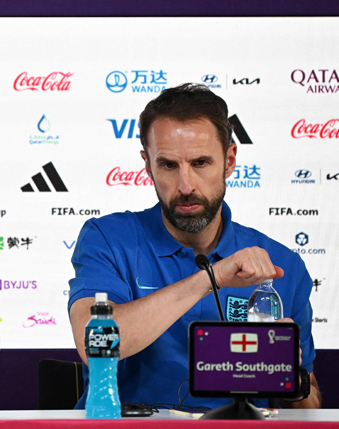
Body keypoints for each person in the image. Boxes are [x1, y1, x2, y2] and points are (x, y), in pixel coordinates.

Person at [68, 83, 321, 410]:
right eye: (168, 165)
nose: (185, 186)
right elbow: (94, 345)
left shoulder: (281, 265)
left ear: (229, 160)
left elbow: (308, 404)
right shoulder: (108, 238)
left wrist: (290, 377)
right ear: (148, 165)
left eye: (201, 163)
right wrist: (211, 278)